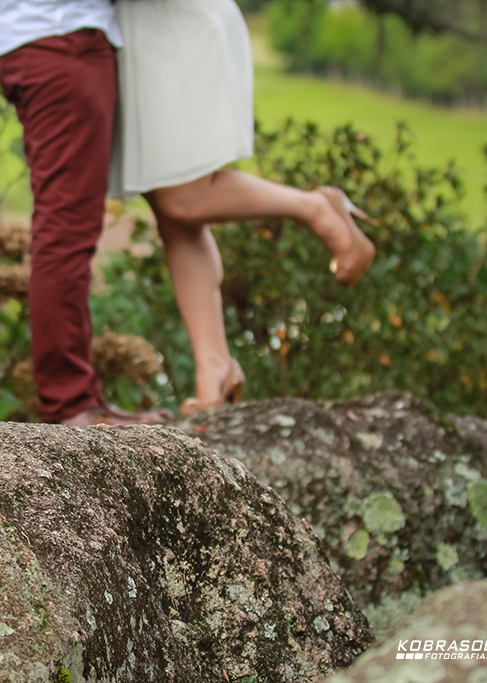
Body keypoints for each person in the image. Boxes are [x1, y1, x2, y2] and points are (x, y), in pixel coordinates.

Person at [110, 0, 376, 416]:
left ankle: (317, 207)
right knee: (170, 209)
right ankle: (214, 370)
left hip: (171, 25)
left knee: (183, 195)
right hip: (143, 27)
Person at [0, 0, 172, 426]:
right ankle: (69, 403)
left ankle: (78, 398)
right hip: (60, 38)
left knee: (67, 227)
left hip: (50, 37)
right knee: (66, 229)